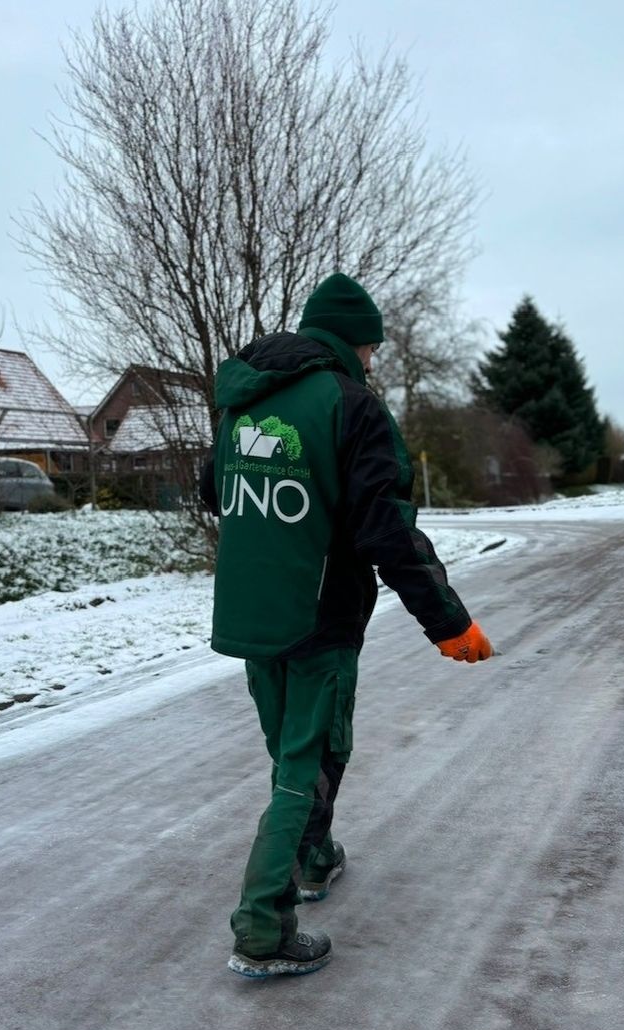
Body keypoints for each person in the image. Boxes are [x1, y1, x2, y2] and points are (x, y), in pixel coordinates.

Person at [200, 273, 493, 979]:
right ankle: (263, 926)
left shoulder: (244, 399)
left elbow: (215, 490)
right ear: (355, 344)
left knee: (291, 754)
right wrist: (448, 621)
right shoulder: (351, 405)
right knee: (309, 760)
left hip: (249, 608)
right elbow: (386, 529)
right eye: (371, 349)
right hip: (318, 612)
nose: (371, 362)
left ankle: (314, 857)